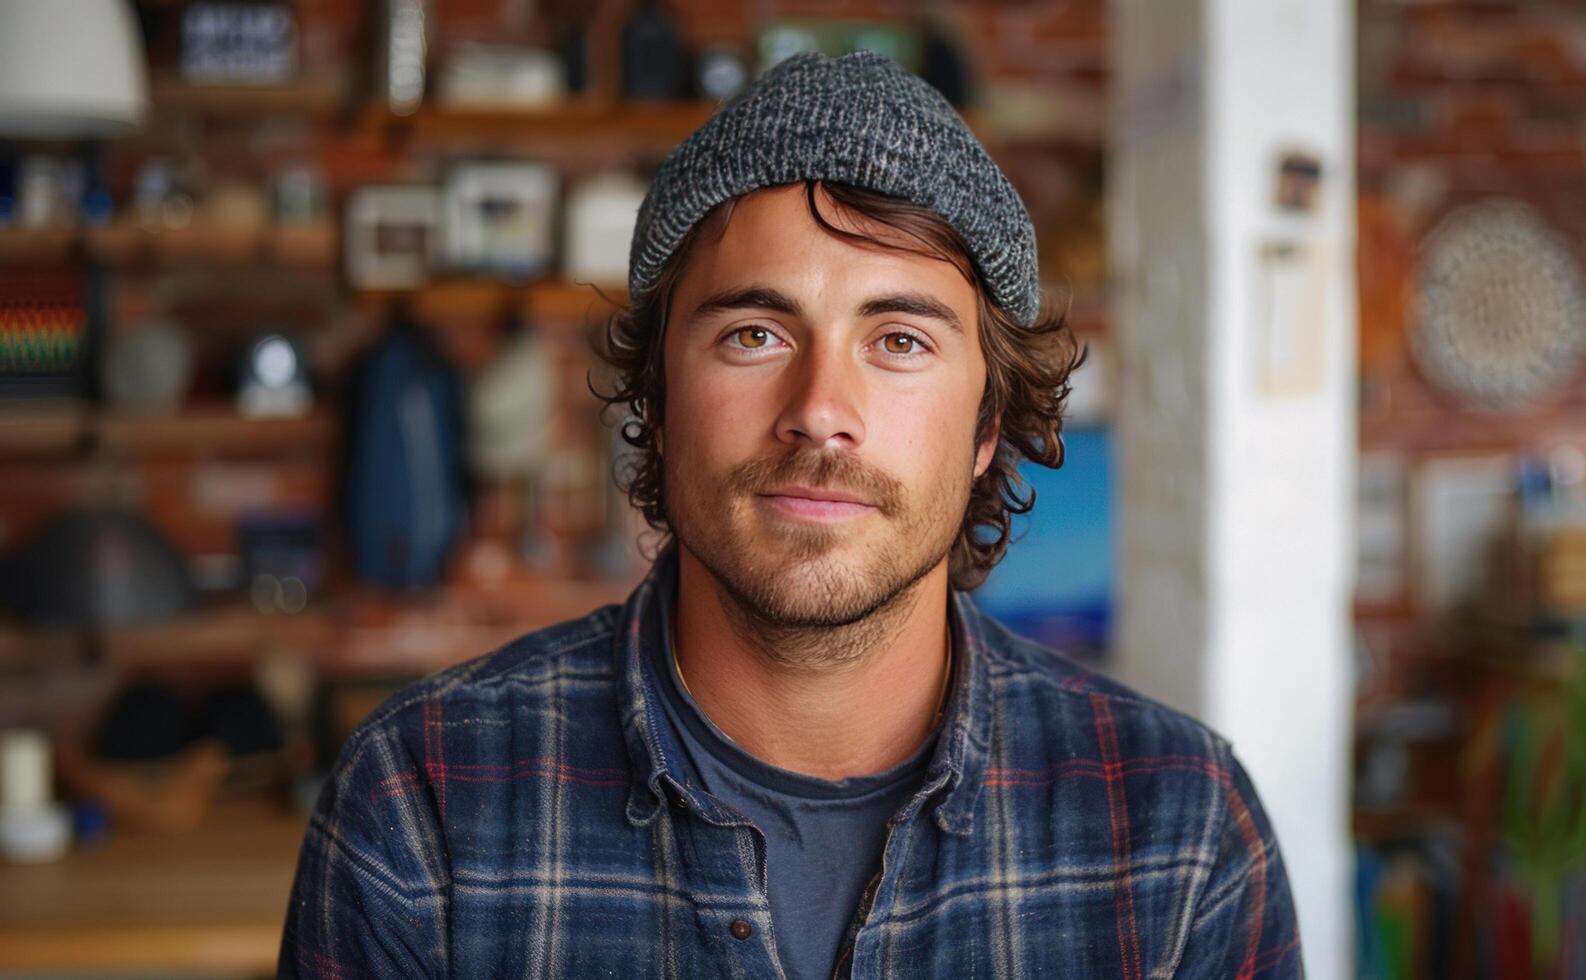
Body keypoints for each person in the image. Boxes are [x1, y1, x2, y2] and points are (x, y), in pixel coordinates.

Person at [279, 51, 1301, 979]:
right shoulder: (424, 803)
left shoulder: (1179, 830)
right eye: (755, 333)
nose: (819, 408)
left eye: (898, 339)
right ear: (659, 402)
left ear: (987, 421)